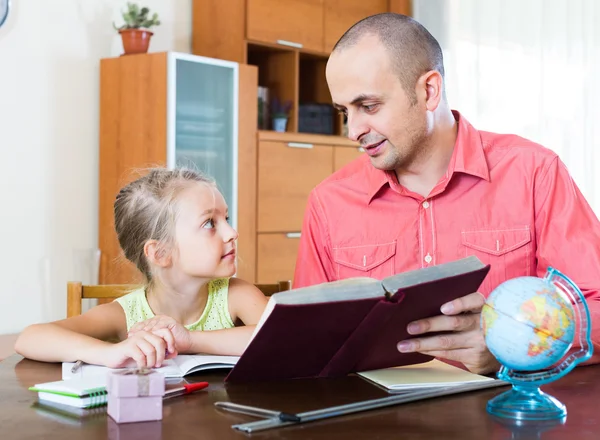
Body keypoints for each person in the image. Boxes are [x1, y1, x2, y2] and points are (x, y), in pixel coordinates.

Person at [293, 13, 600, 374]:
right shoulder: (328, 202)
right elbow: (304, 338)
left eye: (369, 106)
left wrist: (510, 343)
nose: (352, 130)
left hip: (508, 418)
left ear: (428, 91)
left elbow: (595, 303)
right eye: (345, 111)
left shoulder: (534, 172)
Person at [15, 167, 268, 368]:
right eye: (209, 223)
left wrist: (190, 341)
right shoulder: (125, 315)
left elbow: (290, 340)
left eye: (226, 218)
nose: (232, 233)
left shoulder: (236, 295)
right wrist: (109, 352)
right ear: (160, 253)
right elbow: (30, 338)